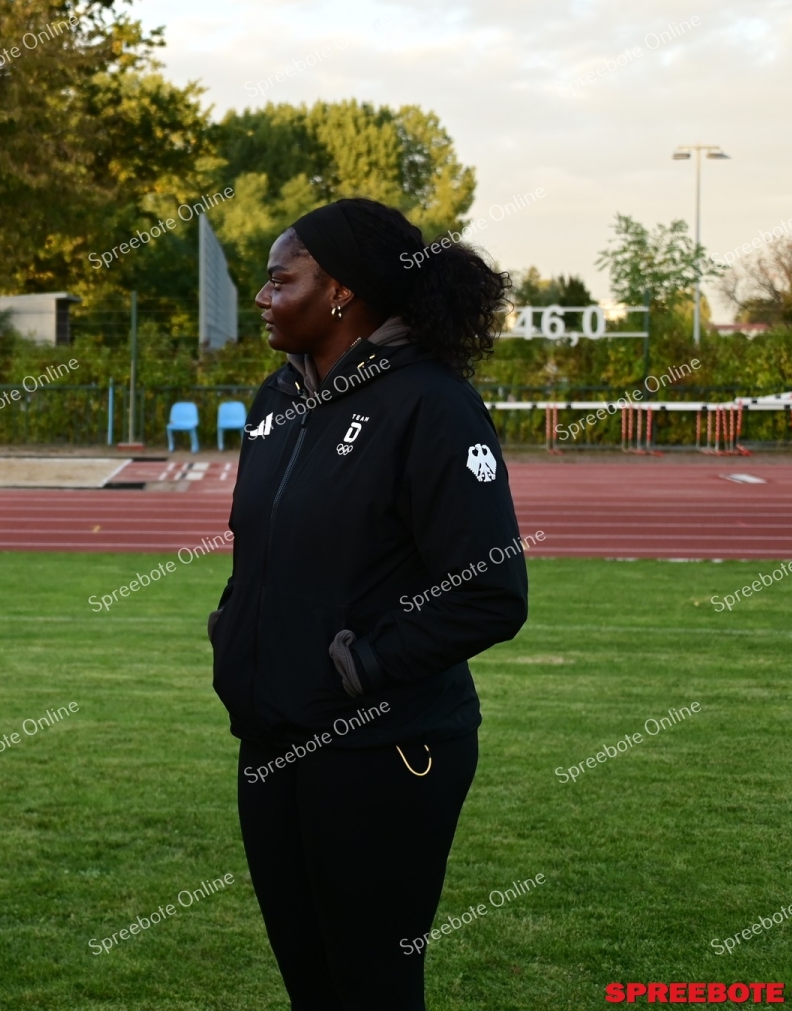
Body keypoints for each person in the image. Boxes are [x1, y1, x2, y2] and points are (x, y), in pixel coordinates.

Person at [209, 197, 528, 1010]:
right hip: (272, 740)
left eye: (281, 280)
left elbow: (490, 590)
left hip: (384, 750)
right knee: (311, 984)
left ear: (341, 292)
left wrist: (367, 664)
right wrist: (233, 630)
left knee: (373, 986)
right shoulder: (275, 399)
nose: (263, 297)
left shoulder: (432, 404)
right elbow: (265, 549)